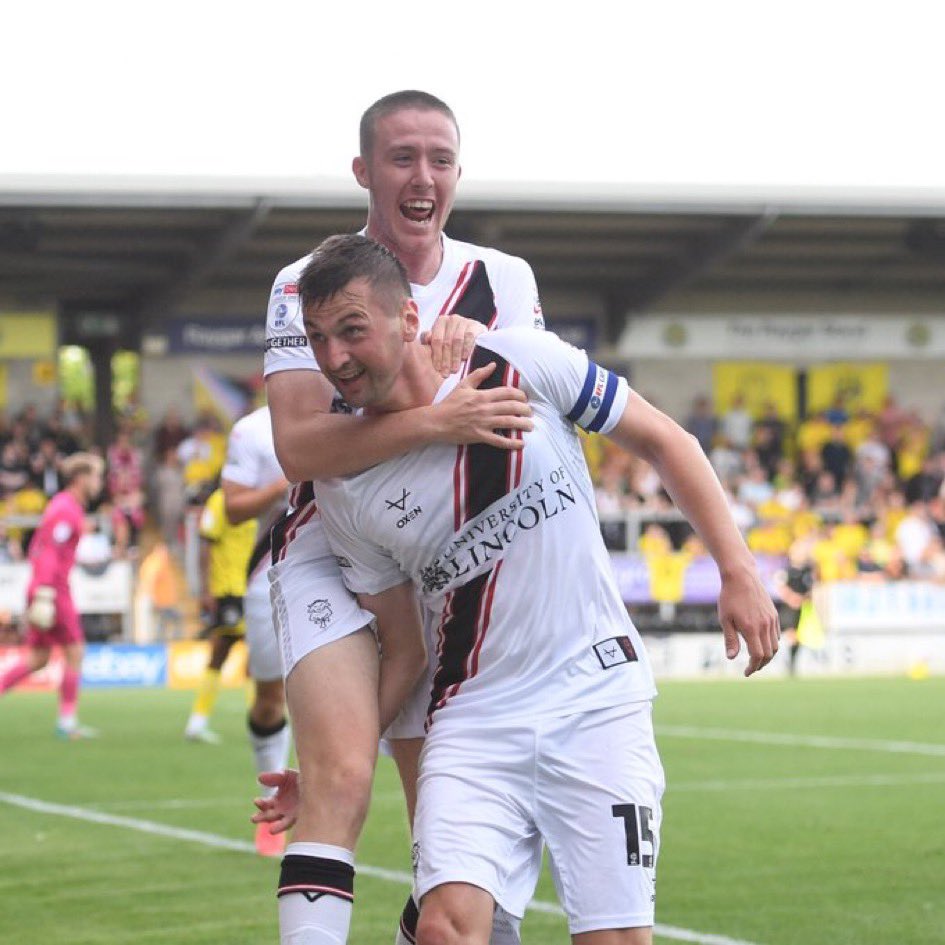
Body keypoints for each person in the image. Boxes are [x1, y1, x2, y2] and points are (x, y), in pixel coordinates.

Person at [257, 235, 780, 945]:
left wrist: (737, 569)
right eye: (317, 339)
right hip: (474, 718)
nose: (334, 358)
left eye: (352, 330)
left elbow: (665, 441)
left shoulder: (519, 359)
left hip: (595, 696)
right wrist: (333, 764)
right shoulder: (344, 487)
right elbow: (404, 652)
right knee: (445, 929)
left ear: (408, 319)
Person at [264, 90, 538, 945]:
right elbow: (301, 447)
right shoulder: (299, 282)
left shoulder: (504, 279)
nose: (422, 178)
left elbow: (519, 421)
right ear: (363, 172)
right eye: (401, 158)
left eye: (440, 160)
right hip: (328, 550)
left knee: (447, 846)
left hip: (442, 568)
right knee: (340, 780)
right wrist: (433, 415)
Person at [218, 402, 294, 857]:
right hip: (269, 572)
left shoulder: (354, 408)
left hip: (348, 571)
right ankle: (271, 805)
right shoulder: (253, 430)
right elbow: (232, 508)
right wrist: (287, 481)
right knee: (270, 698)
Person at [0, 453, 105, 738]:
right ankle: (67, 723)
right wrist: (45, 592)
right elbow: (49, 553)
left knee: (38, 657)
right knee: (75, 651)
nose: (99, 482)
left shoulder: (63, 506)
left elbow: (41, 545)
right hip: (52, 589)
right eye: (96, 476)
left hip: (43, 586)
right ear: (80, 478)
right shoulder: (67, 509)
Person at [183, 484, 256, 744]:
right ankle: (255, 720)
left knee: (251, 653)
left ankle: (255, 719)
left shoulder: (254, 498)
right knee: (226, 651)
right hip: (228, 589)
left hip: (250, 586)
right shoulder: (221, 500)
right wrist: (206, 591)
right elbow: (206, 542)